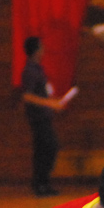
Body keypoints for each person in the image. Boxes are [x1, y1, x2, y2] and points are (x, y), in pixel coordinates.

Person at [21, 36, 70, 198]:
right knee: (47, 148)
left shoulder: (38, 69)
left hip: (44, 115)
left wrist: (55, 101)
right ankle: (40, 183)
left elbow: (43, 93)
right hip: (38, 117)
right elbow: (27, 96)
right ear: (36, 51)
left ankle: (43, 183)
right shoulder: (29, 71)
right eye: (41, 48)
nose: (44, 51)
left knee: (45, 149)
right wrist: (49, 103)